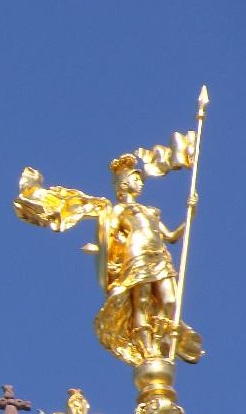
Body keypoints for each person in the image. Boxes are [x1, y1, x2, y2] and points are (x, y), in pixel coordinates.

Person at [13, 153, 201, 366]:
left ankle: (160, 339)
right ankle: (148, 347)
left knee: (169, 301)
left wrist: (190, 215)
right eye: (135, 178)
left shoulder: (151, 211)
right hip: (136, 255)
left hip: (160, 256)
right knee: (142, 302)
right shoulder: (119, 210)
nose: (139, 182)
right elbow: (108, 238)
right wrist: (102, 252)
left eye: (139, 179)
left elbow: (172, 237)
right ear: (123, 184)